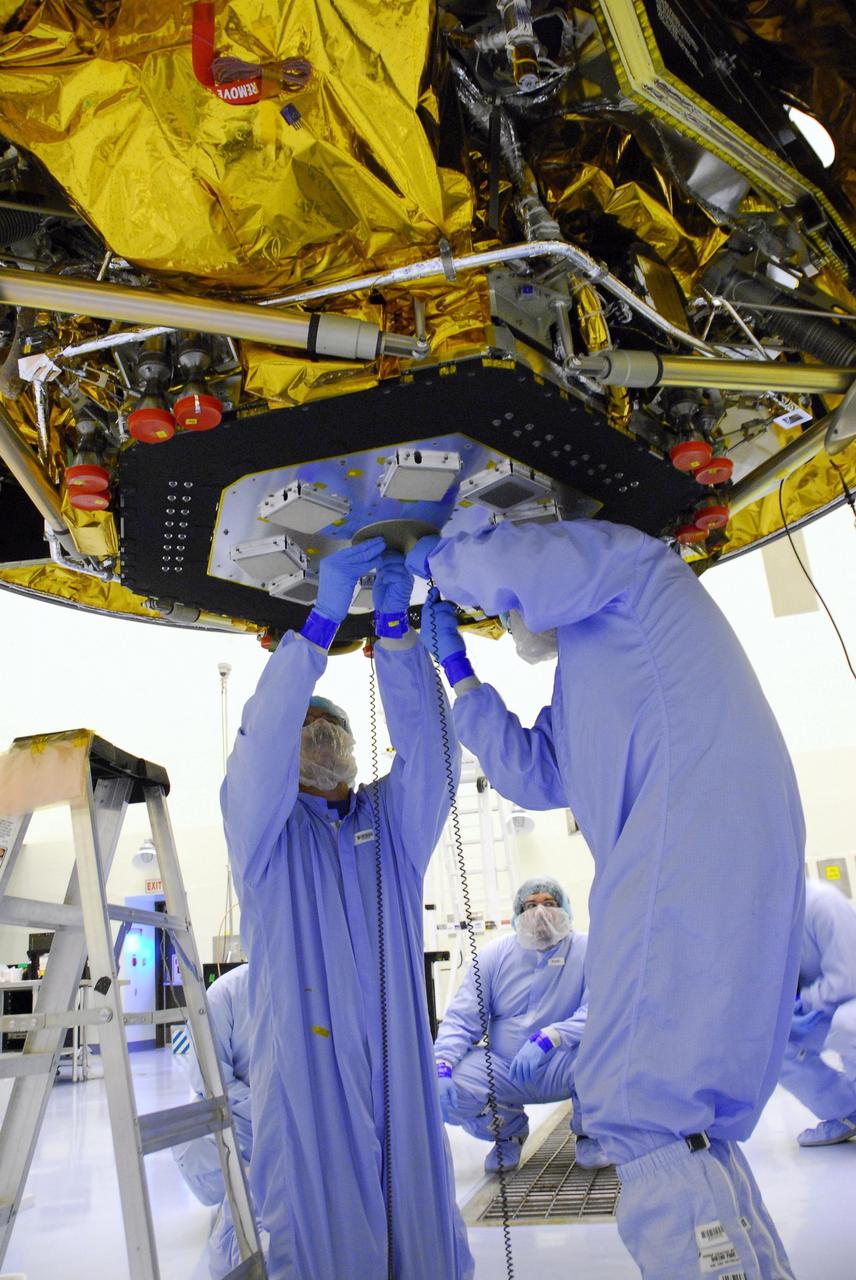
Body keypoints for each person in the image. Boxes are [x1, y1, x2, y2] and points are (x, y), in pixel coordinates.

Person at [407, 517, 805, 1280]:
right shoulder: (597, 665)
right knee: (688, 1123)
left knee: (640, 1102)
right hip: (714, 850)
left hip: (696, 842)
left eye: (507, 609)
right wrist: (461, 675)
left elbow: (530, 558)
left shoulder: (635, 571)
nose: (509, 619)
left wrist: (437, 561)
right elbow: (538, 772)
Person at [221, 539, 473, 1280]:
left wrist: (397, 642)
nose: (319, 737)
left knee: (420, 1236)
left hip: (401, 1067)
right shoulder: (266, 838)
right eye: (305, 728)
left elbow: (437, 758)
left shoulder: (391, 825)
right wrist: (317, 631)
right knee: (323, 1242)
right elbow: (256, 756)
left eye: (330, 726)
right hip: (309, 1077)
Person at [435, 876, 608, 1172]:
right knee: (453, 1084)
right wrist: (442, 1064)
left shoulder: (588, 949)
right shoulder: (493, 956)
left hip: (563, 1063)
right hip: (506, 1067)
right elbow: (462, 1019)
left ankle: (591, 1135)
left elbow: (599, 1010)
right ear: (517, 914)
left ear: (566, 909)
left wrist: (551, 1036)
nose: (540, 912)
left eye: (549, 903)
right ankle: (508, 1132)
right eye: (530, 905)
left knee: (607, 1058)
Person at [173, 963, 261, 1278]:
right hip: (244, 1117)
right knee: (192, 1142)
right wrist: (263, 1111)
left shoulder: (317, 987)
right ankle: (237, 1191)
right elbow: (207, 1077)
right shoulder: (228, 992)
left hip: (297, 1122)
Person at [779, 877, 856, 1146]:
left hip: (847, 1002)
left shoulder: (823, 904)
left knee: (846, 1025)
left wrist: (804, 1002)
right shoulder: (777, 920)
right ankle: (846, 1112)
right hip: (826, 1007)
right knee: (777, 1048)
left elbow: (848, 980)